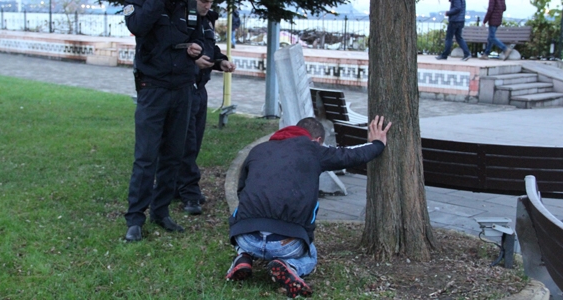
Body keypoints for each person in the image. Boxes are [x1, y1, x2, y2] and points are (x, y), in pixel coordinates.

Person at [225, 116, 392, 298]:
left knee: (245, 215)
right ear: (318, 141)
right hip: (286, 244)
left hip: (245, 236)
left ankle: (243, 257)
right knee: (310, 253)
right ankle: (291, 266)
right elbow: (349, 155)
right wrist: (377, 144)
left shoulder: (258, 150)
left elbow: (241, 191)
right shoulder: (313, 150)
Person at [122, 0, 204, 242]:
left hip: (182, 88)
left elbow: (199, 35)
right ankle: (135, 218)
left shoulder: (188, 5)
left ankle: (161, 211)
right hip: (152, 88)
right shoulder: (138, 3)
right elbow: (137, 26)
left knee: (173, 154)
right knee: (146, 156)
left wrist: (197, 47)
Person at [175, 0, 237, 215]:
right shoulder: (181, 17)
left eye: (210, 1)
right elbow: (170, 51)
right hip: (183, 88)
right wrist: (192, 63)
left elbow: (212, 50)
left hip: (200, 89)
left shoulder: (207, 21)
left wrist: (221, 63)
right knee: (187, 143)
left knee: (195, 141)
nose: (207, 5)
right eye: (203, 0)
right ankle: (189, 192)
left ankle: (177, 185)